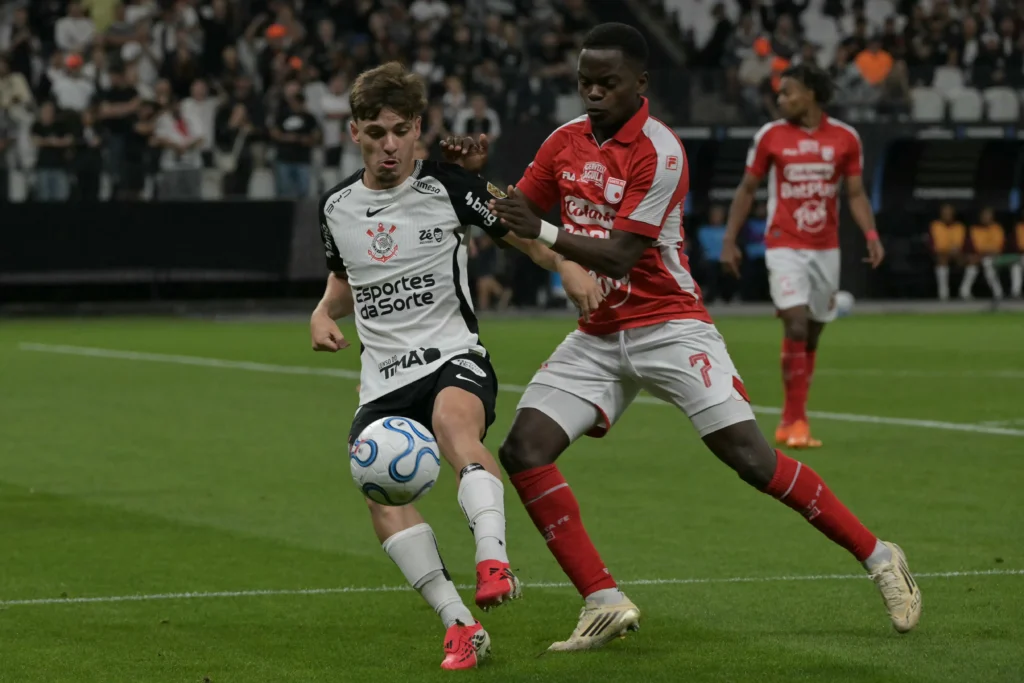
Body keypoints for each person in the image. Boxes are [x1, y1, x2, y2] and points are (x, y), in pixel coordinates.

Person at [459, 22, 919, 652]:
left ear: (640, 82)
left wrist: (543, 232)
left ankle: (880, 556)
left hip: (670, 326)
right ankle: (602, 600)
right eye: (585, 81)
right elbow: (512, 216)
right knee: (524, 449)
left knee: (752, 460)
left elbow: (619, 254)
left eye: (607, 82)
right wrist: (474, 183)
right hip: (599, 335)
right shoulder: (564, 142)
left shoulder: (661, 151)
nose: (593, 92)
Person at [309, 62, 602, 671]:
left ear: (418, 128)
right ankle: (459, 624)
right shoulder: (336, 207)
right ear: (354, 132)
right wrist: (321, 312)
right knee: (380, 494)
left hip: (453, 356)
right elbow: (345, 278)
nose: (389, 146)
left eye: (400, 131)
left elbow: (526, 234)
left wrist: (567, 266)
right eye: (375, 133)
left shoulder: (449, 186)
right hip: (383, 380)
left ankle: (494, 561)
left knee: (453, 425)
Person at [722, 62, 885, 449]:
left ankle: (791, 417)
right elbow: (747, 189)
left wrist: (871, 234)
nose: (780, 99)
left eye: (787, 92)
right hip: (784, 243)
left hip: (825, 247)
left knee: (811, 331)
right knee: (795, 324)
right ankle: (795, 419)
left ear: (810, 94)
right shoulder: (770, 136)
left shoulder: (845, 138)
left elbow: (855, 193)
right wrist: (730, 239)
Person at [961, 207, 1005, 300]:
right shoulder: (974, 229)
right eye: (984, 215)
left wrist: (986, 252)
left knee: (987, 262)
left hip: (997, 257)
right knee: (976, 262)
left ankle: (998, 292)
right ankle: (964, 291)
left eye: (988, 215)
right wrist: (983, 253)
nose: (986, 217)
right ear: (980, 217)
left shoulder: (997, 228)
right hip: (981, 256)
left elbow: (998, 247)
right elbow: (977, 247)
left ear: (992, 217)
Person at [930, 203, 966, 301]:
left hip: (956, 254)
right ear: (941, 214)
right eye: (945, 213)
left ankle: (964, 290)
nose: (947, 215)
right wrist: (945, 249)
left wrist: (954, 250)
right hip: (940, 254)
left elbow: (960, 244)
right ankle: (943, 292)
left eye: (949, 213)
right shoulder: (935, 225)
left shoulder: (959, 226)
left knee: (972, 261)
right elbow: (935, 244)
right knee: (942, 259)